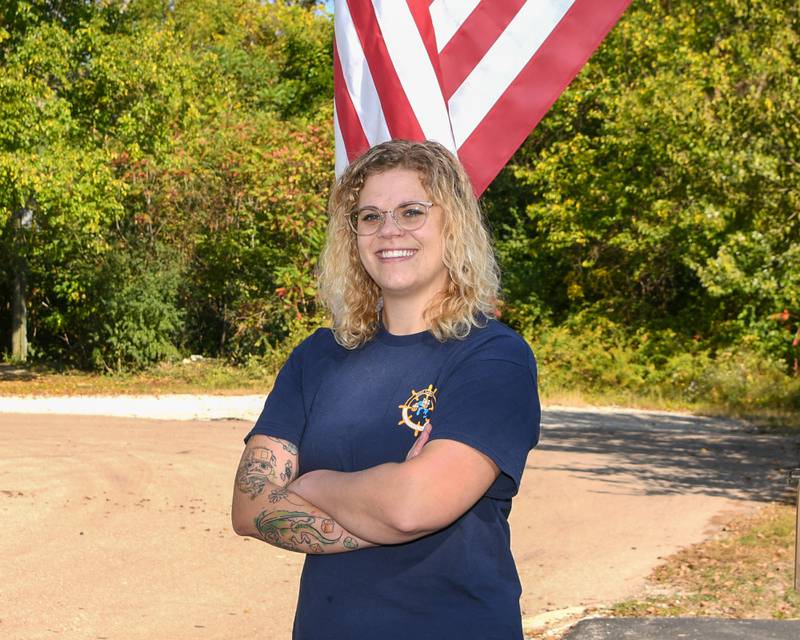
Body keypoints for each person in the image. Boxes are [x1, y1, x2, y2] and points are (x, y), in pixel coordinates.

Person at [231, 139, 541, 639]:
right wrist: (383, 505)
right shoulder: (319, 357)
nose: (389, 230)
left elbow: (411, 508)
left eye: (412, 212)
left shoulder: (492, 357)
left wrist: (313, 485)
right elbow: (249, 507)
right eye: (370, 216)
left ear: (452, 224)